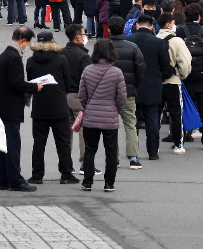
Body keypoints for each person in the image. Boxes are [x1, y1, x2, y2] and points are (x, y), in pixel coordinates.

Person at [26, 32, 79, 184]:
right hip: (58, 106)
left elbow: (30, 81)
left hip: (39, 107)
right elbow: (68, 82)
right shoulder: (61, 59)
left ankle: (37, 175)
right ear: (52, 41)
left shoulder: (31, 61)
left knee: (39, 143)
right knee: (62, 142)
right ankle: (66, 174)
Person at [0, 28, 43, 191]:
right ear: (23, 41)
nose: (27, 46)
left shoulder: (2, 56)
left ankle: (4, 179)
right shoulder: (14, 58)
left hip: (1, 106)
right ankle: (15, 180)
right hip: (11, 107)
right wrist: (34, 86)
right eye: (27, 43)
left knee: (3, 146)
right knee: (13, 144)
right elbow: (16, 83)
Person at [78, 39, 127, 192]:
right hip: (110, 117)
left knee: (90, 150)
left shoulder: (87, 70)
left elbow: (82, 95)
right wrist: (115, 110)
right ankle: (109, 183)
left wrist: (88, 107)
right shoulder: (117, 72)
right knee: (111, 152)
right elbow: (122, 97)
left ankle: (87, 181)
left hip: (91, 117)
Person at [126, 15, 171, 160]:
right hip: (153, 86)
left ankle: (133, 152)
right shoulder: (158, 42)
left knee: (133, 121)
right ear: (151, 27)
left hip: (133, 86)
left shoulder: (129, 40)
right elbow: (165, 65)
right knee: (152, 120)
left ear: (137, 25)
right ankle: (153, 152)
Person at [176, 4, 203, 150]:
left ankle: (180, 139)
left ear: (185, 15)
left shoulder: (180, 31)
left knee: (182, 108)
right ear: (199, 16)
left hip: (184, 76)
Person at [108, 16, 146, 168]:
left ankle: (114, 158)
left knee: (111, 125)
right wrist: (135, 85)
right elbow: (141, 69)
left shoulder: (104, 47)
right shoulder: (132, 47)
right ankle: (133, 158)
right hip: (128, 91)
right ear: (123, 29)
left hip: (108, 93)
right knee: (130, 124)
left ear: (109, 30)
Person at [156, 14, 192, 154]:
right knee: (176, 114)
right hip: (173, 81)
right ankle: (178, 145)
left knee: (156, 114)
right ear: (169, 25)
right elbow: (186, 62)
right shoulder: (177, 41)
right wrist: (182, 75)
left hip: (157, 82)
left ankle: (155, 146)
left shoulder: (155, 39)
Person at [61, 24, 94, 175]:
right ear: (78, 37)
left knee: (66, 132)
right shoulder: (83, 56)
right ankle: (85, 164)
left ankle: (67, 165)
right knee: (84, 131)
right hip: (78, 97)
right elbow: (87, 79)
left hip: (63, 96)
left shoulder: (61, 53)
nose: (85, 36)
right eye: (83, 33)